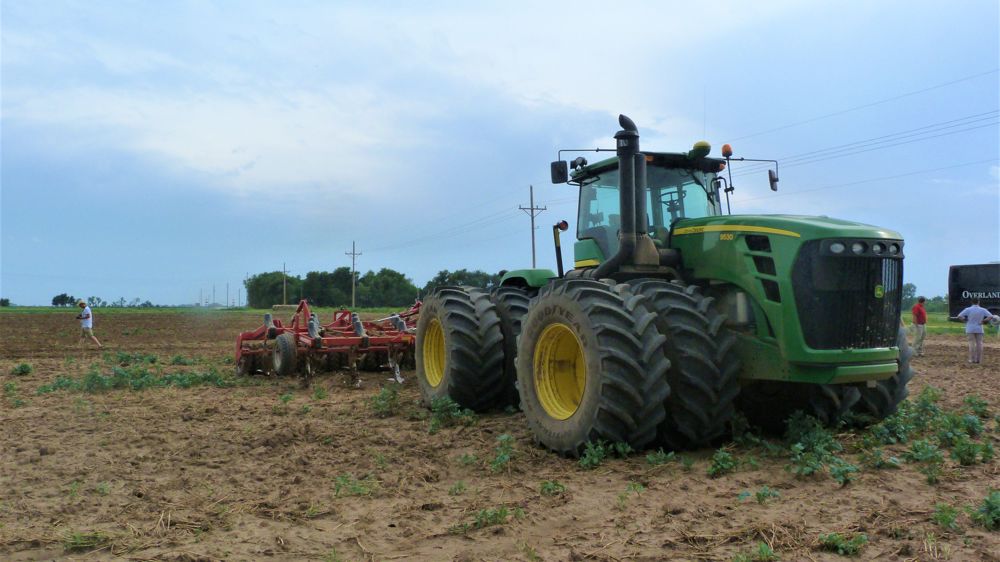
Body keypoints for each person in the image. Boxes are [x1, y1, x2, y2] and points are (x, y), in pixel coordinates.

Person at [956, 298, 991, 364]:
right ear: (978, 302)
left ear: (971, 302)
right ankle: (979, 360)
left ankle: (972, 359)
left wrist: (965, 320)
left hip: (970, 328)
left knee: (971, 343)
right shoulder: (983, 309)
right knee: (979, 343)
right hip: (979, 328)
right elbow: (990, 316)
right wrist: (983, 321)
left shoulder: (968, 309)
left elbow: (959, 316)